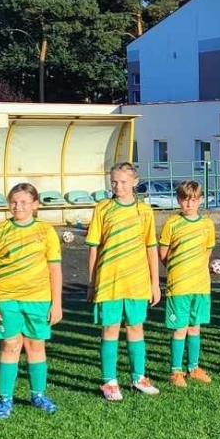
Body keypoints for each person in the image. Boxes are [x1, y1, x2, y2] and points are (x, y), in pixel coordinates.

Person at [0, 182, 63, 416]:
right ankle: (5, 399)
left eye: (24, 202)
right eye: (14, 202)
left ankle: (38, 395)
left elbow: (55, 270)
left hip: (39, 299)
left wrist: (57, 304)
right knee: (10, 344)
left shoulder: (46, 231)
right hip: (7, 298)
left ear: (35, 205)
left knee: (36, 345)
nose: (18, 207)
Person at [86, 160, 162, 401]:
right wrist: (91, 282)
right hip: (109, 280)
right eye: (114, 182)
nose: (118, 186)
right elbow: (94, 248)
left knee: (135, 327)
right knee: (110, 329)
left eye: (123, 182)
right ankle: (109, 382)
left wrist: (155, 283)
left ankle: (139, 378)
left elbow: (151, 247)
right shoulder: (102, 209)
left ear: (135, 182)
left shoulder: (145, 211)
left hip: (137, 281)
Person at [157, 179, 215, 387]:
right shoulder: (172, 223)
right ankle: (175, 371)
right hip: (179, 285)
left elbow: (207, 252)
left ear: (200, 200)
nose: (189, 204)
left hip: (200, 285)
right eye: (184, 199)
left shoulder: (207, 224)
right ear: (178, 200)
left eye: (193, 200)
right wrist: (176, 270)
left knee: (194, 327)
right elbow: (163, 254)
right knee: (179, 329)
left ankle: (193, 368)